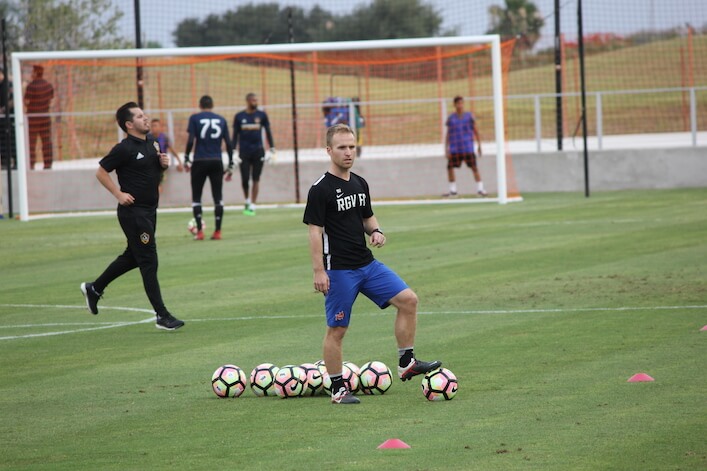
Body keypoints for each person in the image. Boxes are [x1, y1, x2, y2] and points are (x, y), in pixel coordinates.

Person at [303, 123, 442, 405]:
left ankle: (406, 362)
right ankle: (338, 389)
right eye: (342, 147)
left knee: (409, 300)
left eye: (352, 146)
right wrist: (319, 270)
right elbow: (314, 231)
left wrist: (376, 231)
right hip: (339, 270)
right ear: (329, 150)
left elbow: (367, 217)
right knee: (337, 330)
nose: (348, 152)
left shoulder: (359, 182)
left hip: (367, 265)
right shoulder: (320, 189)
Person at [80, 102, 184, 331]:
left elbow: (149, 173)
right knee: (148, 260)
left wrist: (163, 166)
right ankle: (162, 316)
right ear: (129, 124)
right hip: (133, 213)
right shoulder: (124, 148)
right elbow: (101, 171)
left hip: (149, 211)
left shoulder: (153, 143)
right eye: (139, 116)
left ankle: (94, 288)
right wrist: (118, 194)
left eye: (144, 114)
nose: (146, 118)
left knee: (134, 256)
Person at [184, 95, 234, 240]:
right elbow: (229, 143)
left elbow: (191, 140)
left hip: (200, 159)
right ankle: (217, 231)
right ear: (212, 105)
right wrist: (230, 163)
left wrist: (187, 157)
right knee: (218, 197)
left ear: (200, 105)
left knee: (197, 197)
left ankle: (199, 232)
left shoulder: (195, 118)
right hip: (216, 160)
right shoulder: (221, 119)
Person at [232, 92, 275, 216]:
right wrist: (233, 151)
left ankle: (253, 205)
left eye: (256, 100)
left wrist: (272, 148)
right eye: (253, 100)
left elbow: (268, 131)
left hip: (258, 151)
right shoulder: (239, 116)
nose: (255, 102)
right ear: (248, 101)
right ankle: (246, 200)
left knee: (256, 178)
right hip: (244, 152)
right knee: (245, 178)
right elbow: (235, 135)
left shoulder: (261, 115)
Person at [444, 95, 486, 197]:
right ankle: (453, 191)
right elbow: (448, 133)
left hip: (467, 147)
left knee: (474, 167)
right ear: (454, 105)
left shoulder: (469, 116)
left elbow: (476, 131)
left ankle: (480, 189)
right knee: (449, 168)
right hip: (455, 149)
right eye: (458, 103)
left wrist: (479, 145)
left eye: (462, 103)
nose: (460, 105)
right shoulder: (451, 118)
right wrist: (446, 148)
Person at [23, 65, 54, 170]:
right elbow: (51, 100)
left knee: (31, 142)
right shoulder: (48, 85)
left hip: (33, 118)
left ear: (36, 73)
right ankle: (48, 164)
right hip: (45, 117)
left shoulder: (31, 86)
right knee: (46, 141)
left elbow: (26, 101)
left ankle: (31, 164)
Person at [150, 118, 183, 193]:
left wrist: (180, 162)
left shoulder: (164, 138)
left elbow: (173, 150)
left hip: (161, 165)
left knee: (158, 185)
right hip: (150, 164)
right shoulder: (148, 137)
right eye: (152, 126)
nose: (153, 128)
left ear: (160, 127)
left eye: (155, 125)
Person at [0, 68, 16, 170]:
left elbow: (13, 100)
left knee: (11, 140)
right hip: (1, 120)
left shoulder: (9, 85)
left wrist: (4, 109)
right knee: (2, 141)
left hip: (9, 118)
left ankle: (15, 161)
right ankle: (4, 161)